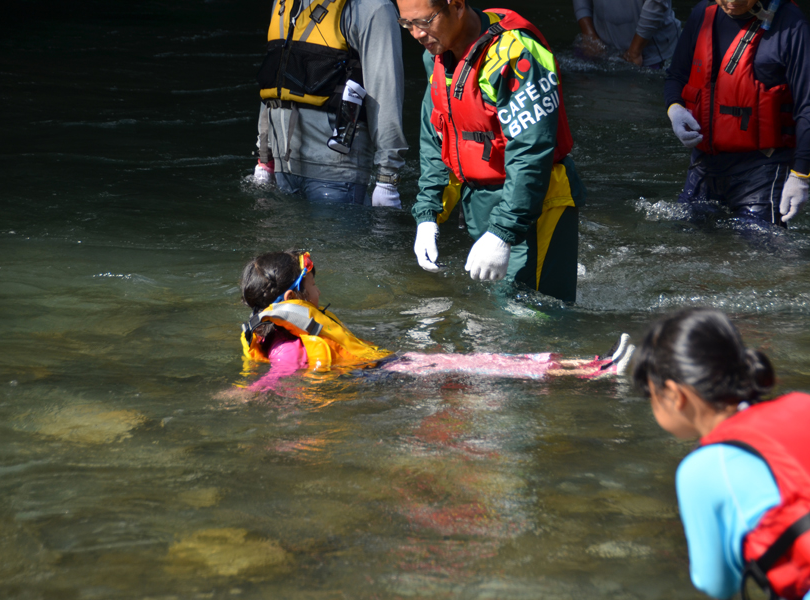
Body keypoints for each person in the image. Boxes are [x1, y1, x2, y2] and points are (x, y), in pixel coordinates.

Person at [632, 307, 810, 600]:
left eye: (649, 394)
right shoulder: (809, 405)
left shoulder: (702, 468)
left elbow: (718, 586)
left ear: (674, 395)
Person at [398, 0, 586, 303]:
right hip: (480, 203)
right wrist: (427, 214)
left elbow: (530, 150)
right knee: (498, 314)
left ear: (457, 6)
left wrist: (503, 232)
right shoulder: (436, 55)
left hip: (535, 208)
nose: (417, 34)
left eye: (424, 22)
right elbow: (436, 135)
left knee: (535, 316)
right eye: (407, 25)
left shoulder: (515, 54)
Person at [237, 250, 634, 392]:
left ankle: (585, 367)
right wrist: (247, 394)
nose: (318, 289)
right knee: (480, 366)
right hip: (378, 379)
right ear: (293, 298)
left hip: (382, 369)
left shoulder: (275, 336)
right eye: (313, 281)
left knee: (479, 364)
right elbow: (278, 379)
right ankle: (591, 372)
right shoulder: (288, 349)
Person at [664, 0, 810, 227]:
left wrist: (800, 175)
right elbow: (676, 76)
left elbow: (808, 105)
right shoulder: (702, 14)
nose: (732, 1)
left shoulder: (793, 25)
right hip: (704, 165)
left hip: (762, 168)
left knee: (760, 255)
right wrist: (674, 109)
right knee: (683, 243)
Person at [253, 0, 408, 207]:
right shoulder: (283, 4)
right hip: (283, 171)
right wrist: (265, 157)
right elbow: (274, 83)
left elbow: (386, 94)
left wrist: (387, 179)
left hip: (337, 176)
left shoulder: (372, 7)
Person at [573, 0, 682, 69]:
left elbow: (656, 3)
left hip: (652, 54)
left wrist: (635, 51)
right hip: (601, 48)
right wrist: (589, 34)